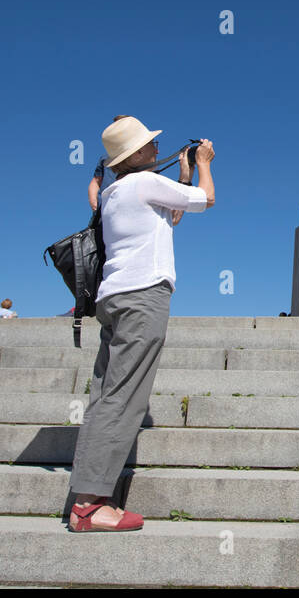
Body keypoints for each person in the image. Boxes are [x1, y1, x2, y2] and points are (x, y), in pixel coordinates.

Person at [68, 117, 215, 532]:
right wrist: (204, 164)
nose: (155, 148)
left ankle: (89, 493)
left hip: (113, 298)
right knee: (125, 397)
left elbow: (171, 217)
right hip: (143, 297)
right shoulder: (143, 183)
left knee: (105, 394)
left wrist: (182, 172)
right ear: (134, 156)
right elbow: (206, 199)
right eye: (149, 144)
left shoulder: (115, 191)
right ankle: (90, 505)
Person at [88, 115, 130, 212]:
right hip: (103, 209)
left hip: (127, 208)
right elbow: (96, 181)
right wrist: (93, 201)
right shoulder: (105, 157)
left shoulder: (142, 156)